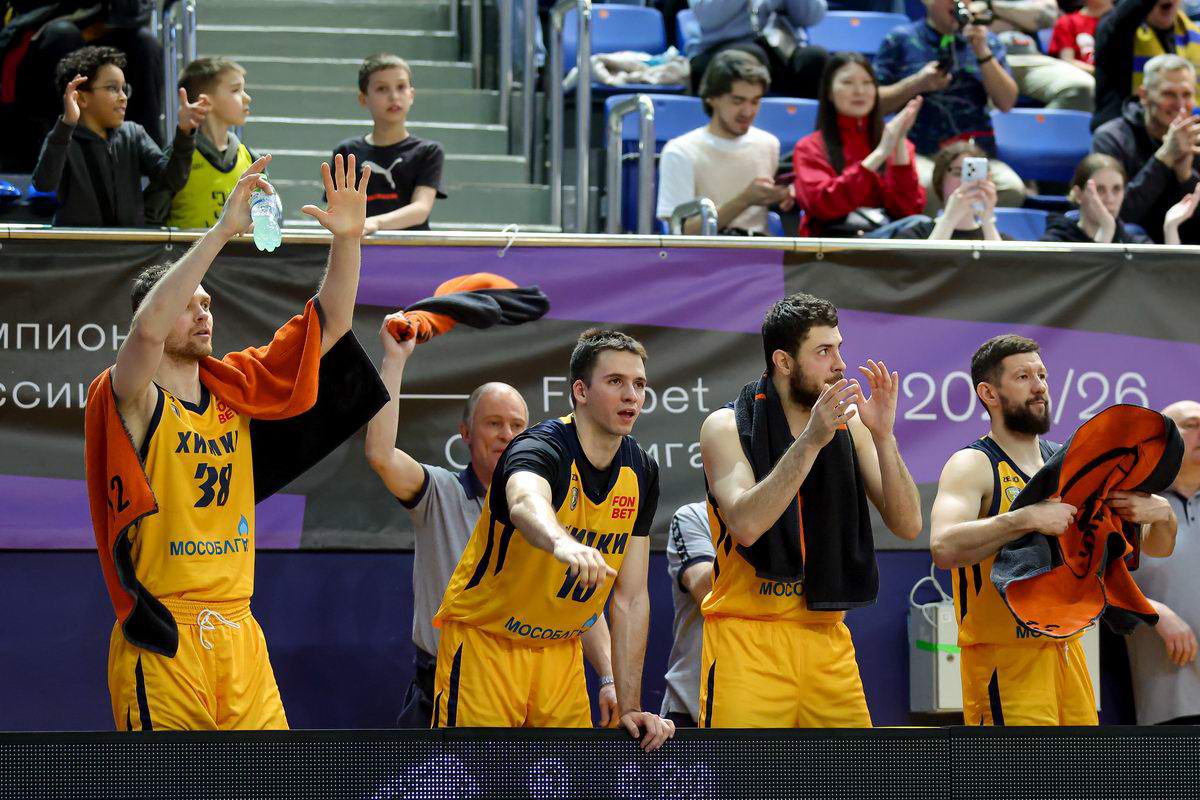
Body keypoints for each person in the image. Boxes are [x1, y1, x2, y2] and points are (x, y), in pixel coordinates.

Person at [85, 153, 376, 730]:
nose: (203, 313)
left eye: (208, 304)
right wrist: (221, 232)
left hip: (240, 630)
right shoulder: (130, 395)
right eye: (189, 304)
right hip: (164, 633)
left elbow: (331, 326)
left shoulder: (236, 388)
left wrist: (348, 240)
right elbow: (147, 329)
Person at [364, 320, 621, 728]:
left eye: (517, 425)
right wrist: (394, 360)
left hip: (534, 684)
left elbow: (576, 600)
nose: (507, 434)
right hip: (451, 676)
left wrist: (608, 676)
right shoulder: (440, 492)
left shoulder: (551, 511)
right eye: (493, 423)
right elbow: (381, 454)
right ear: (465, 432)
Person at [431, 330, 674, 749]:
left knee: (563, 779)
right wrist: (563, 543)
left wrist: (629, 704)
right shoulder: (541, 446)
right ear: (581, 391)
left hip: (561, 653)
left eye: (639, 384)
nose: (631, 395)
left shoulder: (641, 469)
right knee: (475, 776)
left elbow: (631, 597)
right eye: (615, 381)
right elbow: (524, 500)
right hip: (488, 643)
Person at [697, 293, 923, 727]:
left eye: (838, 348)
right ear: (783, 361)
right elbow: (746, 524)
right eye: (823, 351)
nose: (840, 364)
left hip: (827, 637)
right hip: (747, 639)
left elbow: (909, 524)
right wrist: (811, 441)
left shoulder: (851, 425)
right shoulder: (726, 425)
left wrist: (883, 436)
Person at [930, 334, 1177, 725]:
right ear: (989, 393)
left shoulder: (1068, 464)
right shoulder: (972, 464)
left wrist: (1163, 515)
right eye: (1023, 377)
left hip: (1068, 650)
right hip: (1003, 658)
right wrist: (1025, 518)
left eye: (1042, 375)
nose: (1039, 386)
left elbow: (1157, 548)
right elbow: (943, 547)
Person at [31, 45, 208, 227]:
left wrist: (185, 133)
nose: (123, 97)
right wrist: (66, 125)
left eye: (124, 89)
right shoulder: (62, 139)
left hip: (128, 244)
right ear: (81, 98)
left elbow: (172, 181)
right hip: (80, 244)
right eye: (112, 88)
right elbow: (44, 184)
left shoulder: (133, 134)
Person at [874, 0, 1026, 210]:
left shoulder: (987, 41)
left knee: (1010, 188)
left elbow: (1006, 102)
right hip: (922, 151)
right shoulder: (901, 39)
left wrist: (982, 52)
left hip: (975, 153)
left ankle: (979, 229)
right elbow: (875, 104)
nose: (957, 2)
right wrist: (917, 84)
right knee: (926, 186)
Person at [0, 0, 165, 171]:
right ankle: (61, 159)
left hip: (114, 22)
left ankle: (147, 163)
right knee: (63, 36)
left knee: (146, 45)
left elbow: (138, 8)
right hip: (50, 21)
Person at [656, 51, 791, 235]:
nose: (748, 111)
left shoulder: (768, 144)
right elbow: (680, 233)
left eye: (755, 101)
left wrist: (784, 196)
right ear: (711, 98)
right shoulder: (680, 151)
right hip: (706, 250)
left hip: (759, 248)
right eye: (737, 101)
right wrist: (744, 200)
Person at [792, 52, 926, 236]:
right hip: (833, 244)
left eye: (867, 83)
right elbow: (823, 205)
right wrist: (879, 155)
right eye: (848, 83)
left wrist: (900, 140)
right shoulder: (809, 147)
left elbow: (909, 210)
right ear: (829, 92)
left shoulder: (893, 142)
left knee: (924, 226)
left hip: (886, 241)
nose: (860, 91)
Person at [1126, 400, 1200, 725]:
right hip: (1167, 696)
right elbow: (1096, 583)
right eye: (1192, 425)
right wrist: (1156, 611)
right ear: (1162, 439)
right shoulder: (1132, 505)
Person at [330, 53, 445, 234]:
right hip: (359, 246)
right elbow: (338, 208)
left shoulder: (428, 151)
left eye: (401, 87)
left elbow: (421, 209)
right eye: (382, 88)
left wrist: (374, 223)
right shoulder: (346, 151)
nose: (393, 96)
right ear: (363, 99)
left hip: (411, 248)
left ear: (411, 95)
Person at [1092, 54, 1200, 242]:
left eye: (1187, 95)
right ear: (1144, 95)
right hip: (1129, 250)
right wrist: (1163, 158)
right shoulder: (1111, 138)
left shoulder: (1196, 139)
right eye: (1169, 94)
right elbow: (1114, 216)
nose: (1180, 105)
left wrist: (1186, 177)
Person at [146, 57, 257, 230]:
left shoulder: (252, 159)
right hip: (189, 248)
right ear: (205, 101)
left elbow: (269, 215)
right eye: (236, 90)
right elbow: (151, 221)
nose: (247, 98)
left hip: (238, 249)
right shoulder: (176, 160)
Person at [1040, 152, 1199, 242]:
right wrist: (1106, 230)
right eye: (1099, 190)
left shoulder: (1132, 240)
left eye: (1116, 189)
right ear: (1079, 194)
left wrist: (1171, 228)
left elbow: (1165, 280)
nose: (1109, 198)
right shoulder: (1055, 242)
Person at [686, 0, 829, 99]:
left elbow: (812, 17)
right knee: (752, 57)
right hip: (718, 51)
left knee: (815, 59)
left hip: (779, 49)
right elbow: (707, 16)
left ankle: (812, 132)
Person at [1093, 0, 1200, 130]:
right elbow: (1126, 15)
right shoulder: (1116, 29)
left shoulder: (1193, 33)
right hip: (1126, 132)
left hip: (1183, 131)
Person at [660, 501, 714, 727]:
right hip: (690, 706)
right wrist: (753, 528)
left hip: (779, 693)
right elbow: (708, 595)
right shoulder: (694, 516)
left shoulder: (804, 524)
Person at [987, 0, 1096, 111]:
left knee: (1080, 86)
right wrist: (1020, 15)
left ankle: (1039, 123)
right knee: (980, 95)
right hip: (982, 53)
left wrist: (990, 5)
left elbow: (1047, 15)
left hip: (1029, 58)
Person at [888, 141, 1008, 240]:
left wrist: (987, 220)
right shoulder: (915, 235)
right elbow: (925, 261)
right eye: (958, 173)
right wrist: (949, 220)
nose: (965, 182)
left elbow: (1002, 262)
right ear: (940, 179)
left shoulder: (1000, 239)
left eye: (972, 175)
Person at [1049, 0, 1115, 73]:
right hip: (1084, 76)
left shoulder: (1120, 22)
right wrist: (1103, 74)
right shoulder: (1068, 22)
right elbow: (1067, 61)